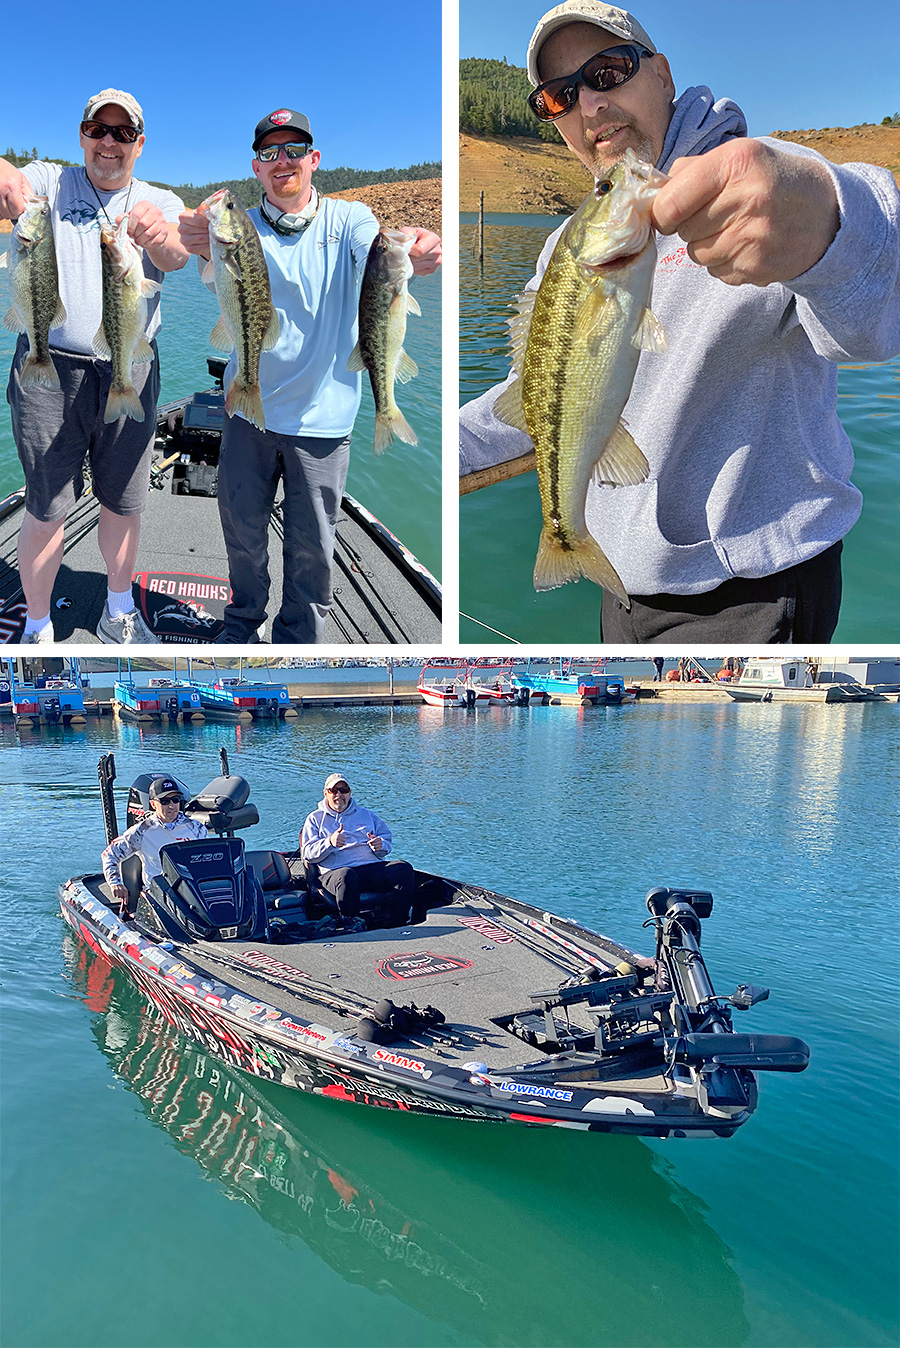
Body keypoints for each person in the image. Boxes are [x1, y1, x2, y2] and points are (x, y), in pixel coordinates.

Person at [459, 2, 900, 643]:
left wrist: (828, 223)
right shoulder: (566, 244)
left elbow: (876, 322)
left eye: (608, 71)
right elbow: (547, 393)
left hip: (752, 592)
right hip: (620, 587)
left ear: (662, 75)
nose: (589, 106)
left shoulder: (764, 180)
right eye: (559, 96)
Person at [178, 109, 442, 643]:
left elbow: (377, 251)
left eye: (294, 149)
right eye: (270, 152)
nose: (283, 161)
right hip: (247, 414)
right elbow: (213, 276)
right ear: (257, 166)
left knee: (314, 548)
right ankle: (243, 622)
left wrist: (417, 248)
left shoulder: (349, 220)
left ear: (314, 159)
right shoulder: (237, 229)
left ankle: (297, 638)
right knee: (243, 535)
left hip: (323, 422)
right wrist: (197, 236)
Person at [0, 90, 190, 644]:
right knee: (45, 503)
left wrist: (162, 238)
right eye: (97, 130)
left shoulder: (160, 199)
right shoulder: (51, 183)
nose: (109, 143)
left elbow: (178, 255)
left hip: (129, 363)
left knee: (124, 501)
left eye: (122, 133)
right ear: (82, 135)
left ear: (140, 143)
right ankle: (37, 628)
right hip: (48, 369)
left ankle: (119, 609)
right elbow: (10, 186)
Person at [301, 773, 414, 926]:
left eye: (344, 790)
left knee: (403, 868)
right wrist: (330, 842)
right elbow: (308, 854)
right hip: (335, 873)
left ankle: (398, 922)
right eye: (334, 790)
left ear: (350, 793)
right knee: (347, 875)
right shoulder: (314, 819)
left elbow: (386, 842)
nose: (339, 795)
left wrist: (380, 845)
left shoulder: (367, 815)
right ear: (325, 793)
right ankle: (351, 925)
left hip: (369, 869)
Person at [102, 776, 208, 916]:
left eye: (175, 800)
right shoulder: (142, 831)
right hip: (158, 895)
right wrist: (115, 883)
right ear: (153, 804)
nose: (171, 805)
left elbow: (207, 859)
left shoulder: (196, 828)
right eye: (165, 801)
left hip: (193, 893)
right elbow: (109, 854)